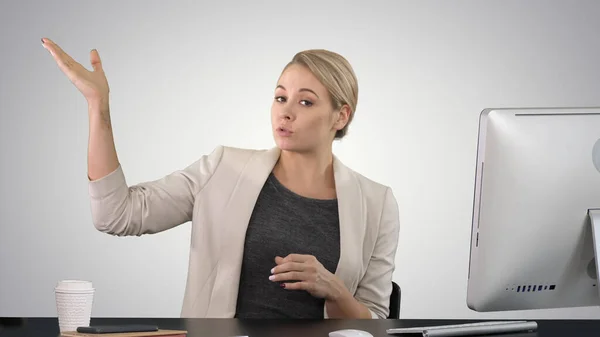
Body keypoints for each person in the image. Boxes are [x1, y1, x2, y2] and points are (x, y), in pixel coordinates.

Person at [41, 37, 400, 319]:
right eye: (280, 97)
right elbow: (116, 214)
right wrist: (97, 105)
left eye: (305, 102)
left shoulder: (377, 204)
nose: (286, 112)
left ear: (341, 116)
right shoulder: (223, 168)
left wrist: (334, 289)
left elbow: (378, 323)